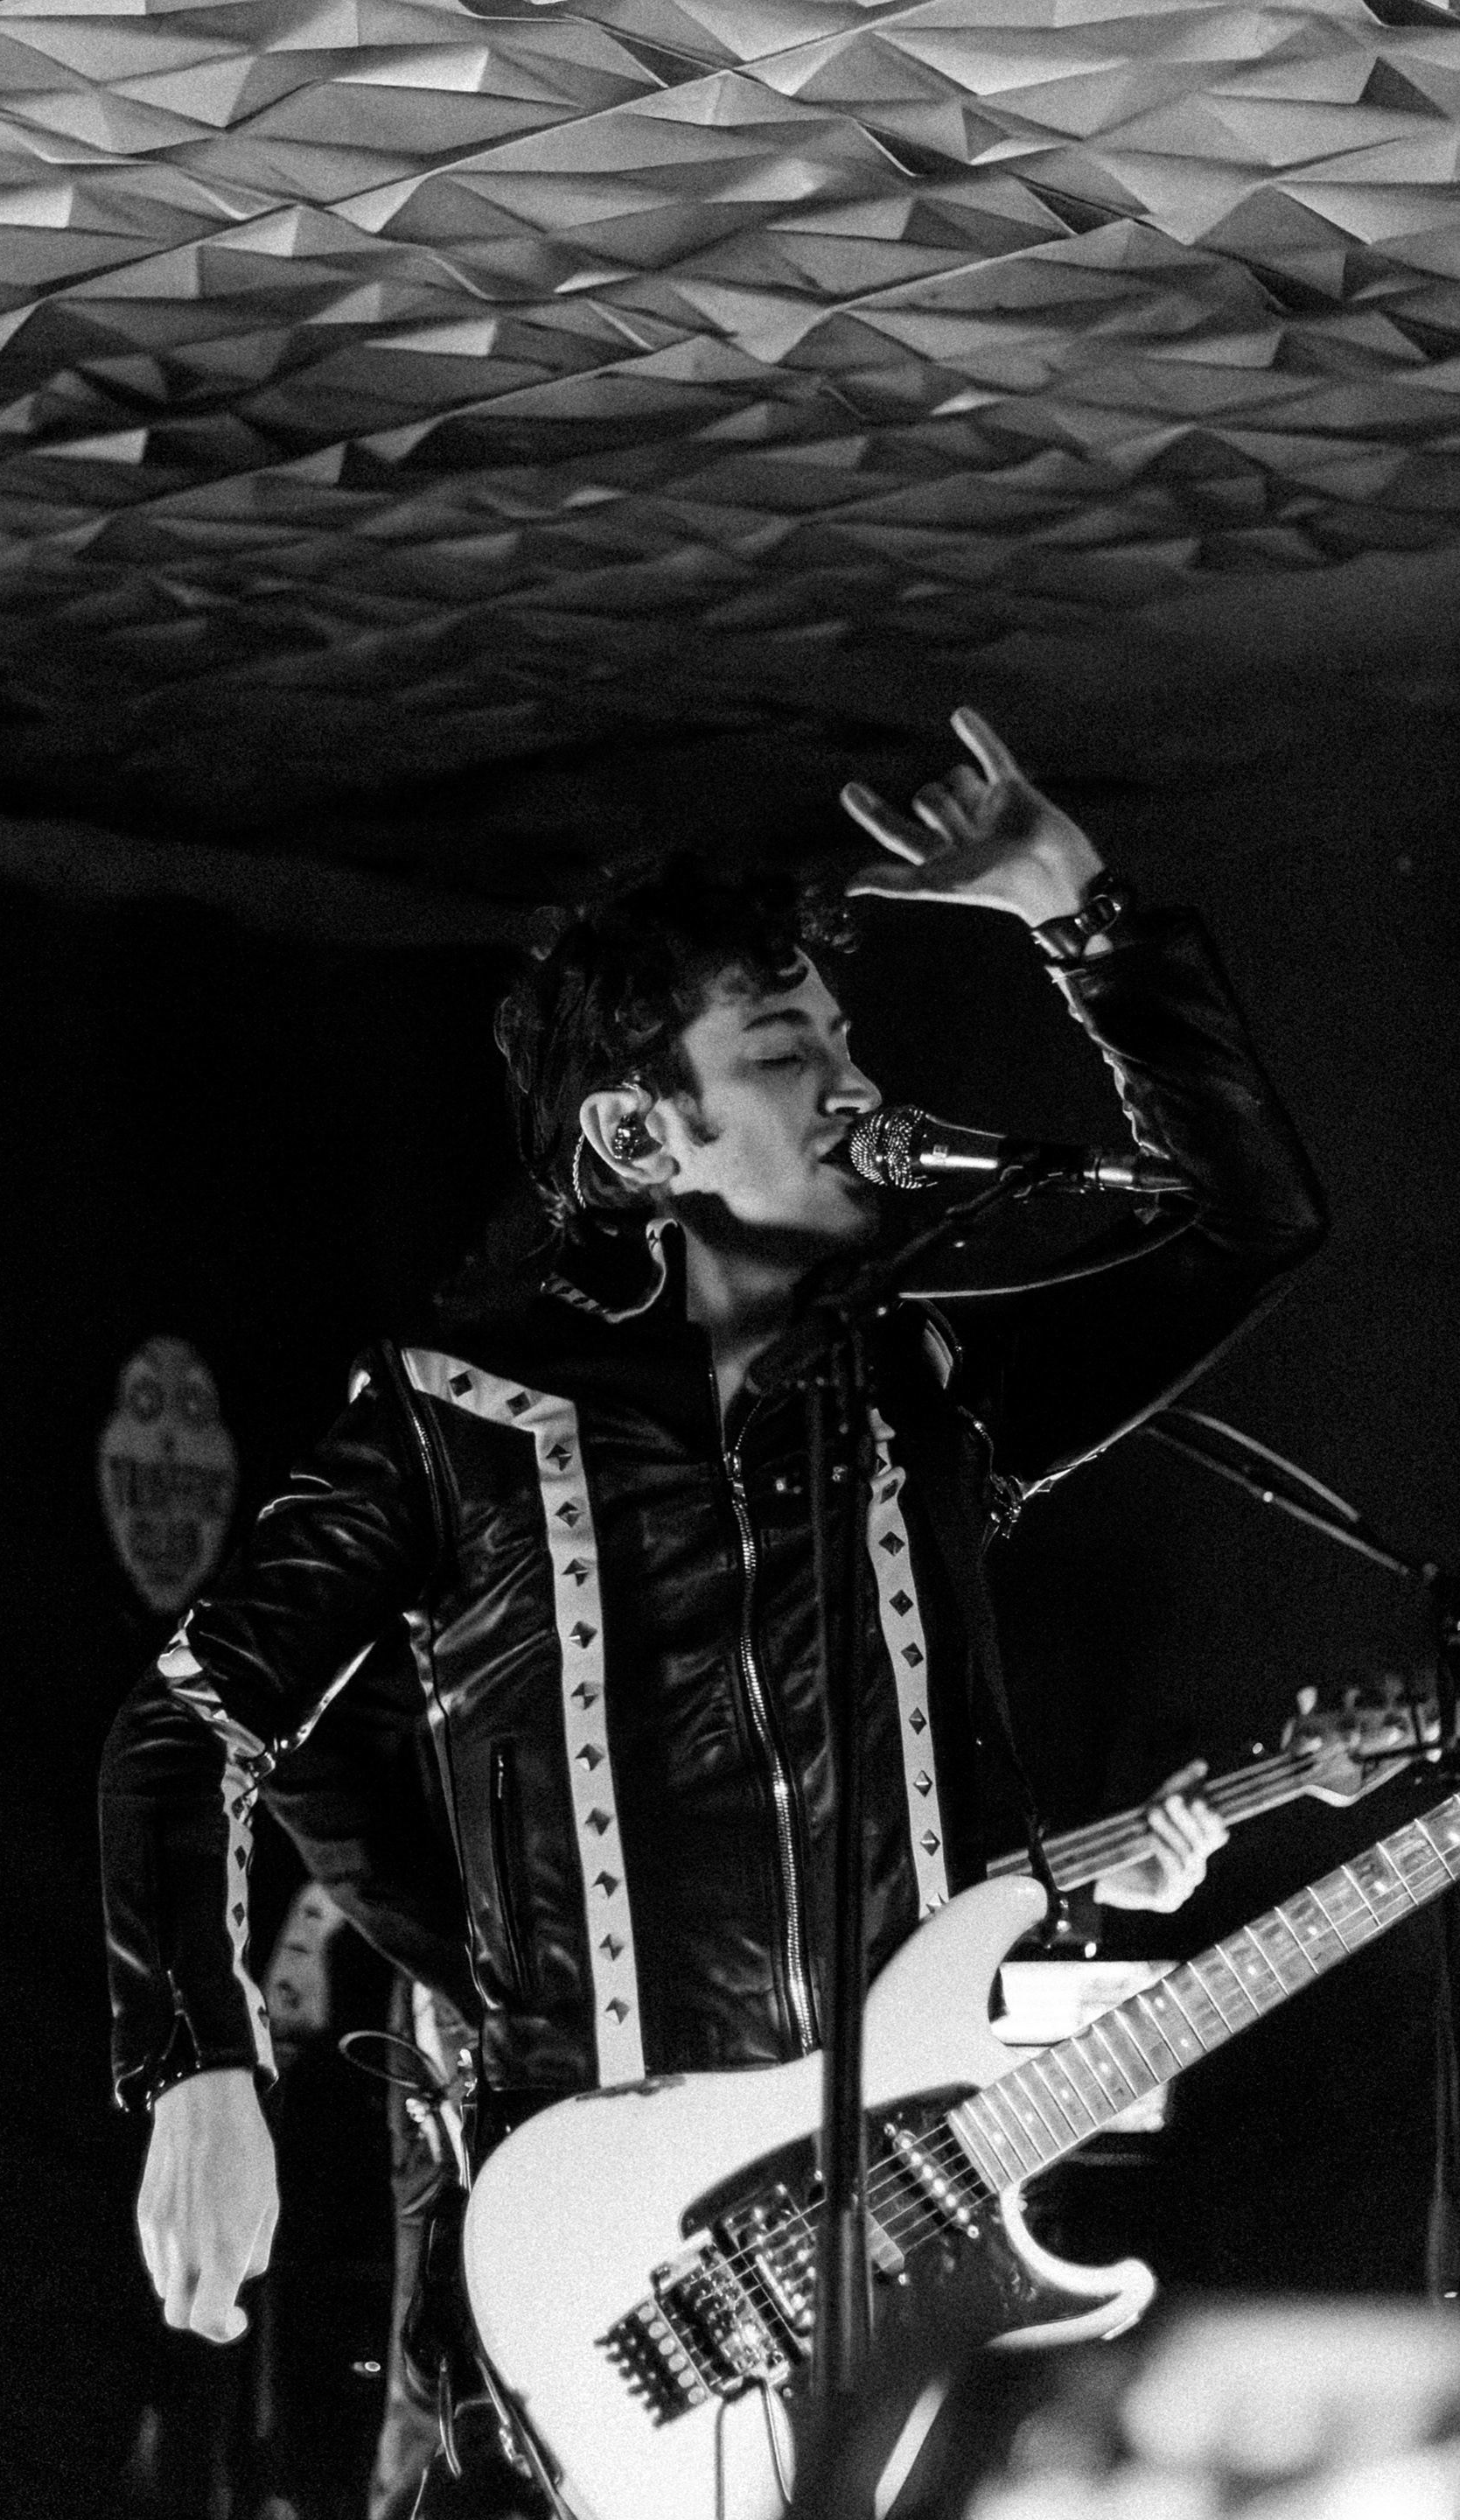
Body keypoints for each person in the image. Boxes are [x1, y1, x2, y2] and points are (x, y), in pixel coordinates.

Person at [99, 711, 1324, 2480]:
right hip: (588, 2273)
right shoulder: (463, 1420)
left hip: (891, 2243)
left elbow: (1249, 1220)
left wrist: (1079, 914)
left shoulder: (928, 1396)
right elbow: (192, 1723)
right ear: (638, 1131)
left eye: (842, 1035)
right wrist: (201, 2067)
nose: (852, 1083)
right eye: (780, 1048)